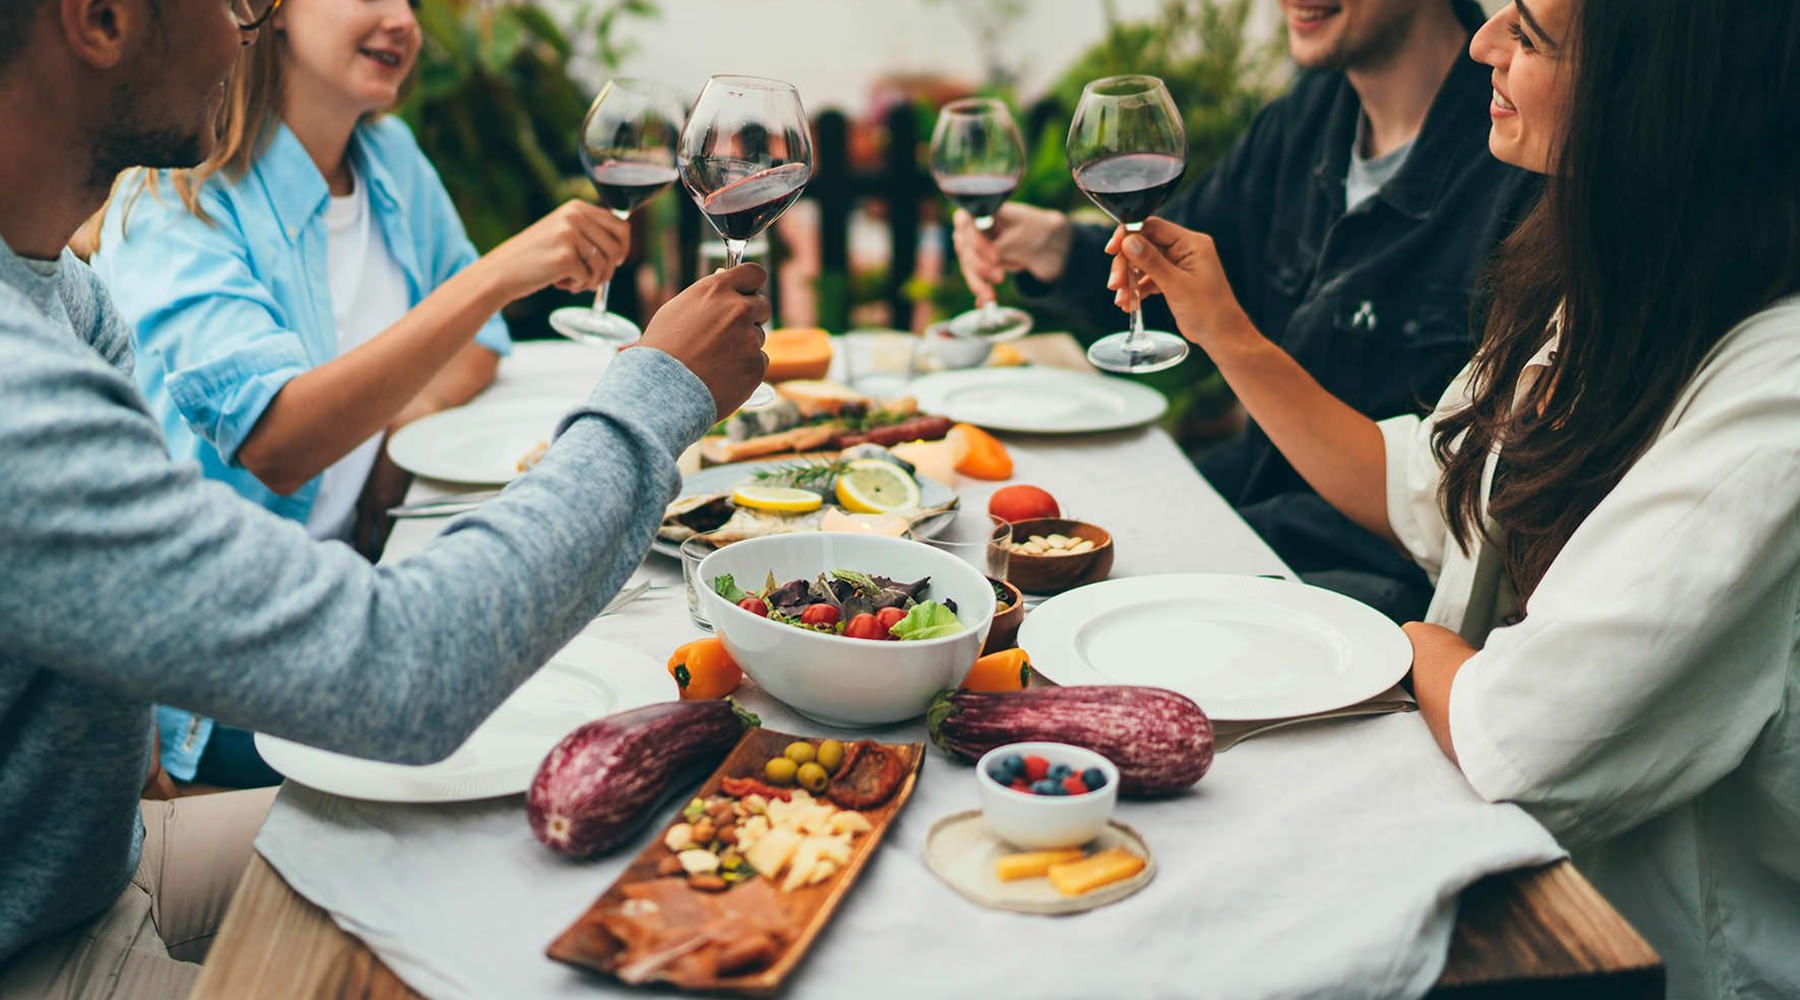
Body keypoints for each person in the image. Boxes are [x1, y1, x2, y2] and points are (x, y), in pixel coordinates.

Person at [0, 0, 768, 994]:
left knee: (574, 831)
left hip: (100, 868)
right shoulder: (21, 387)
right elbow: (400, 664)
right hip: (39, 947)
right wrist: (656, 394)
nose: (245, 25)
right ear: (99, 18)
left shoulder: (59, 290)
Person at [1106, 0, 1800, 995]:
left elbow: (1522, 737)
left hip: (1623, 954)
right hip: (1506, 868)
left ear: (1651, 102)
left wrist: (1410, 646)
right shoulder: (1616, 294)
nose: (1482, 42)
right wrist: (1223, 329)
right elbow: (1423, 488)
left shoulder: (1773, 405)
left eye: (1527, 33)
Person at [87, 0, 632, 789]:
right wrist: (494, 276)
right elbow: (278, 443)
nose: (399, 20)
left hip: (355, 591)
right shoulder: (178, 198)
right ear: (266, 12)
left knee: (587, 676)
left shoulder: (387, 157)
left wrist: (401, 421)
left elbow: (476, 346)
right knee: (537, 732)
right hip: (228, 665)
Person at [956, 0, 1535, 622]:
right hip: (1250, 512)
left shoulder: (1524, 165)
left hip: (1371, 594)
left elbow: (1474, 508)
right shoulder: (1305, 119)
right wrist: (1052, 246)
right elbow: (1183, 281)